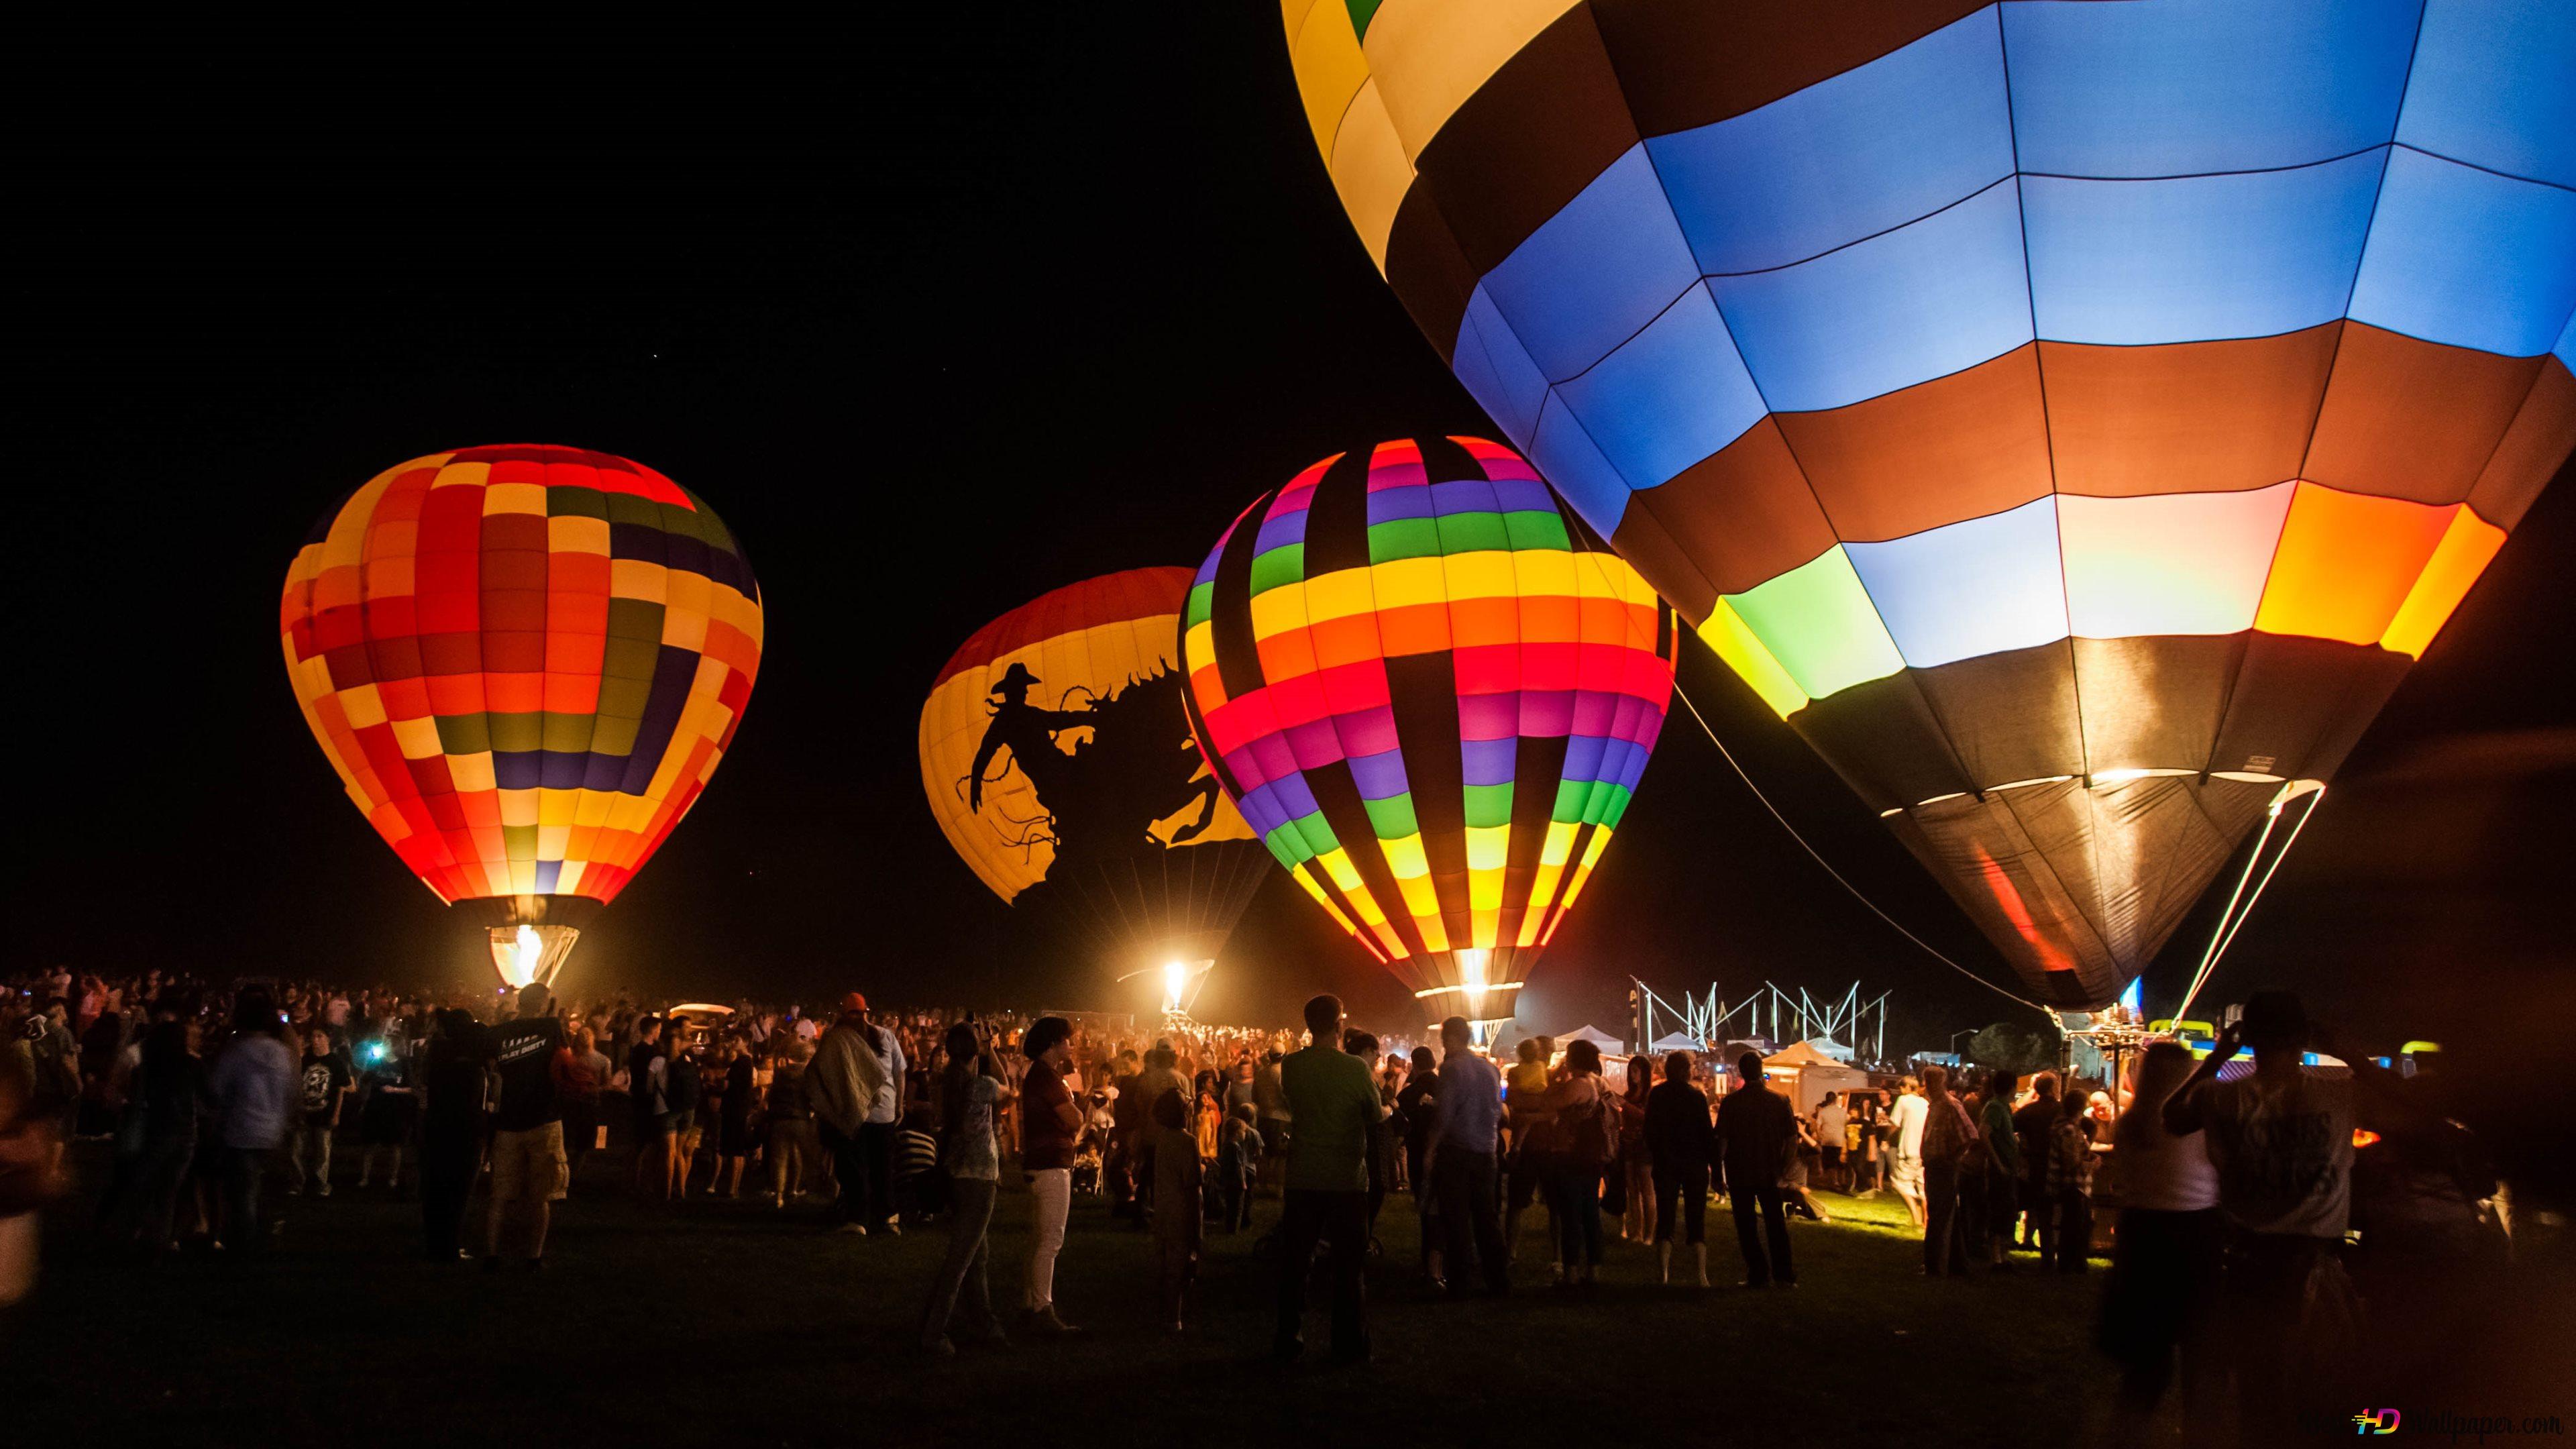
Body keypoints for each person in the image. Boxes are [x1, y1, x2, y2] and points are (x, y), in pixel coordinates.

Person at [2163, 992, 2367, 1443]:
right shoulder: (2339, 1093)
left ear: (2248, 1039)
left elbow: (2171, 1117)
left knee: (2258, 1389)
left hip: (2243, 1263)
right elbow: (2410, 1102)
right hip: (2314, 1264)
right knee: (2320, 1392)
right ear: (2303, 1037)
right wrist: (2348, 1052)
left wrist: (2217, 1056)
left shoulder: (2221, 1097)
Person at [2104, 1042, 2222, 1449]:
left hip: (2143, 1236)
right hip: (2194, 1233)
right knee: (2200, 1356)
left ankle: (2128, 1434)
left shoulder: (2131, 1122)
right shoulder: (2200, 1123)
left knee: (2146, 1360)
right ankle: (2197, 1436)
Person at [1274, 994, 1380, 1363]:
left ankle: (1288, 1336)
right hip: (1346, 1179)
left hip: (1303, 1176)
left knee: (1296, 1262)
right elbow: (1373, 1114)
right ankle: (1349, 1344)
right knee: (1349, 1267)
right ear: (1338, 1026)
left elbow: (1296, 1103)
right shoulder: (1355, 1069)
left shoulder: (1292, 1066)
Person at [920, 1022, 1012, 1355]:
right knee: (960, 1259)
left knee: (977, 1256)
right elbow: (1009, 1087)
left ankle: (983, 1321)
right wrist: (992, 1051)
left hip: (957, 1174)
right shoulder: (983, 1085)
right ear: (975, 1050)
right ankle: (933, 1332)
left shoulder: (946, 1082)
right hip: (980, 1178)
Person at [482, 981, 569, 1269]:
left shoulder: (498, 1033)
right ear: (544, 1003)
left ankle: (492, 1255)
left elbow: (492, 1068)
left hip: (508, 1119)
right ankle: (534, 1256)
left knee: (500, 1196)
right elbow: (565, 1060)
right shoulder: (551, 1027)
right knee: (540, 1196)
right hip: (543, 1119)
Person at [205, 994, 295, 1254]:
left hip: (241, 1131)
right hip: (274, 1131)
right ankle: (265, 1238)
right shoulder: (281, 1052)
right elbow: (291, 1092)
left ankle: (246, 1248)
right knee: (265, 1191)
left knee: (243, 1194)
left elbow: (216, 1089)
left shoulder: (236, 1051)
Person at [1018, 1016, 1083, 1335]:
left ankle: (1030, 1303)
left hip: (1039, 1162)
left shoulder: (1041, 1076)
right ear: (1055, 1044)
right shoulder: (1047, 1079)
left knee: (1038, 1239)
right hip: (1051, 1166)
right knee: (1051, 1240)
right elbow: (1074, 1119)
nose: (1072, 1045)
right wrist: (1076, 1106)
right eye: (1068, 1040)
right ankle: (1043, 1308)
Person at [806, 994, 890, 1234]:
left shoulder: (836, 1038)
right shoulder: (874, 1038)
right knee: (863, 1166)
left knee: (850, 1168)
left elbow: (817, 1073)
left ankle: (857, 1218)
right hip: (871, 1114)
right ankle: (866, 1215)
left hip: (846, 1113)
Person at [1714, 1051, 1796, 1287]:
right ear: (1761, 1070)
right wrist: (1784, 1167)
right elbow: (1792, 1140)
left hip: (1740, 1173)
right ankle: (1784, 1274)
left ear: (1741, 1072)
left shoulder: (1731, 1103)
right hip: (1770, 1172)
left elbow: (1722, 1142)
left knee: (1746, 1226)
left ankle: (1758, 1273)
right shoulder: (1779, 1101)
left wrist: (1718, 1174)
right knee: (1775, 1224)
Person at [1542, 1040, 1613, 1287]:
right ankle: (1594, 1269)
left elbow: (1549, 1103)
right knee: (1591, 1213)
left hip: (1572, 1155)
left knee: (1571, 1215)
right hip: (1593, 1156)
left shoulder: (1578, 1085)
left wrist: (1556, 1078)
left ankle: (1571, 1271)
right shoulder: (1600, 1083)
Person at [1644, 1051, 1714, 1287]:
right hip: (1694, 1164)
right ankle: (1702, 1276)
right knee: (1697, 1219)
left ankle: (1663, 1274)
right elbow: (1707, 1135)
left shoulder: (1657, 1095)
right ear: (1687, 1071)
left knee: (1666, 1218)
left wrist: (1657, 1152)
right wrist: (1715, 1170)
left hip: (1666, 1163)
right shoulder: (1697, 1097)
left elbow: (1650, 1131)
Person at [419, 1008, 483, 1262]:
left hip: (436, 1131)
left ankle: (436, 1244)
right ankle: (450, 1246)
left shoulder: (436, 1056)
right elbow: (473, 1101)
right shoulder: (470, 1064)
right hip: (462, 1134)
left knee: (435, 1191)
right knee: (458, 1193)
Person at [1148, 1086, 1203, 1332]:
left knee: (1165, 1262)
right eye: (1186, 1101)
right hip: (1181, 1211)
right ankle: (1174, 1319)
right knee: (1180, 1267)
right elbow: (1192, 1187)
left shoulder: (1163, 1138)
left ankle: (1164, 1313)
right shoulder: (1187, 1142)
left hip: (1163, 1208)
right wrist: (1197, 1229)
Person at [1501, 1036, 1555, 1265]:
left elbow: (1516, 1105)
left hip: (1535, 1146)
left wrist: (1529, 1111)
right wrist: (1538, 1108)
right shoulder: (1546, 1075)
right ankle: (1558, 1258)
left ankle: (1511, 1253)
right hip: (1540, 1145)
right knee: (1520, 1203)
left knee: (1521, 1205)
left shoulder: (1520, 1073)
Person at [1919, 1065, 1976, 1276]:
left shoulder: (1951, 1105)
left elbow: (1970, 1134)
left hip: (1943, 1167)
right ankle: (1958, 1265)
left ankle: (1934, 1267)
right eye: (1927, 1081)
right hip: (1934, 1166)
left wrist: (1953, 1158)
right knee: (1947, 1215)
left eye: (1931, 1081)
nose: (1928, 1085)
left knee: (1938, 1218)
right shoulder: (1935, 1105)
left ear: (1942, 1082)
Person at [1394, 1045, 1441, 1282]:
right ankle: (1439, 1260)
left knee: (1426, 1209)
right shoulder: (1444, 1086)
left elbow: (1397, 1115)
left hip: (1418, 1152)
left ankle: (1429, 1261)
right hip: (1442, 1153)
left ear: (1415, 1065)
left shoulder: (1410, 1093)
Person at [288, 1026, 350, 1196]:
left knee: (322, 1152)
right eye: (313, 1037)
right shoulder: (305, 1060)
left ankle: (320, 1183)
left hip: (324, 1114)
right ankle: (298, 1183)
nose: (316, 1040)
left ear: (327, 1039)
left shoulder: (335, 1062)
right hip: (304, 1113)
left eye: (319, 1036)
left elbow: (340, 1090)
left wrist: (336, 1114)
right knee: (297, 1151)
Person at [1975, 1068, 2023, 1269]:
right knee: (1999, 1210)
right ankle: (1996, 1257)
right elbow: (1984, 1133)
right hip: (2000, 1169)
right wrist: (1998, 1163)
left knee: (2009, 1211)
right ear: (2012, 1087)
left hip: (2008, 1167)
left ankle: (2003, 1255)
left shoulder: (2003, 1107)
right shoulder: (1995, 1107)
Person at [2014, 1071, 2063, 1258]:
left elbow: (2011, 1128)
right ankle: (2049, 1252)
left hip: (2032, 1165)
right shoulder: (2061, 1110)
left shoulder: (2028, 1111)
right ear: (2053, 1088)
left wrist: (2024, 1146)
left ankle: (2040, 1248)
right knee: (2050, 1212)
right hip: (2055, 1166)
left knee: (2036, 1207)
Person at [765, 1037, 818, 1208]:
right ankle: (799, 1189)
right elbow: (812, 1098)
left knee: (780, 1158)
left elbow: (772, 1095)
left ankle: (778, 1196)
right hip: (801, 1119)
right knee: (804, 1156)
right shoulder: (808, 1076)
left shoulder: (781, 1074)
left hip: (781, 1119)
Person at [2048, 1088, 2096, 1273]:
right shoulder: (2069, 1130)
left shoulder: (2070, 1127)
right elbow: (2071, 1162)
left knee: (2076, 1224)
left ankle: (2072, 1263)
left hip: (2076, 1185)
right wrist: (2092, 1165)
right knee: (2074, 1226)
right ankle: (2070, 1264)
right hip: (2074, 1185)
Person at [555, 1025, 608, 1185]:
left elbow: (606, 1083)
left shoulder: (598, 1060)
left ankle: (568, 1173)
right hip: (581, 1102)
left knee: (577, 1141)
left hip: (579, 1103)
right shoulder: (599, 1060)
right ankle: (569, 1173)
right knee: (576, 1141)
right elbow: (606, 1084)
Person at [627, 1014, 668, 1199]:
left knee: (640, 1142)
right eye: (658, 1029)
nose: (660, 1032)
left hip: (638, 1099)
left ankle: (636, 1180)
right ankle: (642, 1182)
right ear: (652, 1030)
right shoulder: (648, 1052)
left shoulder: (636, 1049)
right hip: (647, 1101)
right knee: (648, 1143)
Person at [1618, 1055, 1654, 1244]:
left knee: (1647, 1190)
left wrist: (1626, 1107)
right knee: (1632, 1190)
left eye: (1636, 1071)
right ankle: (1637, 1231)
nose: (1632, 1075)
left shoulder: (1650, 1095)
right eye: (1630, 1071)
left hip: (1644, 1146)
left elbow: (1646, 1118)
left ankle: (1649, 1234)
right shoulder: (1628, 1095)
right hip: (1629, 1144)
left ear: (1645, 1073)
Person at [716, 1038, 757, 1197]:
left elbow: (727, 1085)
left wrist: (719, 1084)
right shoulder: (747, 1062)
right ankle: (734, 1187)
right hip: (740, 1109)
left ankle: (733, 1188)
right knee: (737, 1149)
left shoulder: (741, 1062)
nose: (733, 1042)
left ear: (746, 1042)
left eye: (738, 1039)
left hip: (734, 1109)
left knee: (735, 1149)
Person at [1886, 1075, 1928, 1228]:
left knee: (1899, 1184)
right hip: (1923, 1153)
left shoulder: (1903, 1101)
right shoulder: (1925, 1103)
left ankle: (1916, 1215)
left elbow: (1894, 1124)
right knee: (1924, 1189)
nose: (1900, 1091)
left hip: (1907, 1151)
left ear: (1907, 1087)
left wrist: (1886, 1139)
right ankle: (1926, 1223)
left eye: (1901, 1088)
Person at [1218, 1102, 1263, 1233]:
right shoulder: (1253, 1133)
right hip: (1248, 1170)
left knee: (1232, 1199)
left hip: (1235, 1172)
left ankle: (1232, 1221)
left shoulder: (1230, 1138)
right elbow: (1259, 1153)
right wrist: (1255, 1161)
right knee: (1247, 1197)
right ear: (1253, 1117)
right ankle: (1243, 1221)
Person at [1813, 1090, 1848, 1193]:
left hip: (1827, 1140)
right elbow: (1846, 1125)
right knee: (1840, 1163)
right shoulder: (1843, 1111)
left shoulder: (1823, 1111)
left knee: (1830, 1163)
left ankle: (1834, 1182)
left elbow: (1818, 1126)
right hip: (1840, 1140)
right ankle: (1843, 1182)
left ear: (1827, 1099)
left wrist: (1820, 1136)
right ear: (1835, 1099)